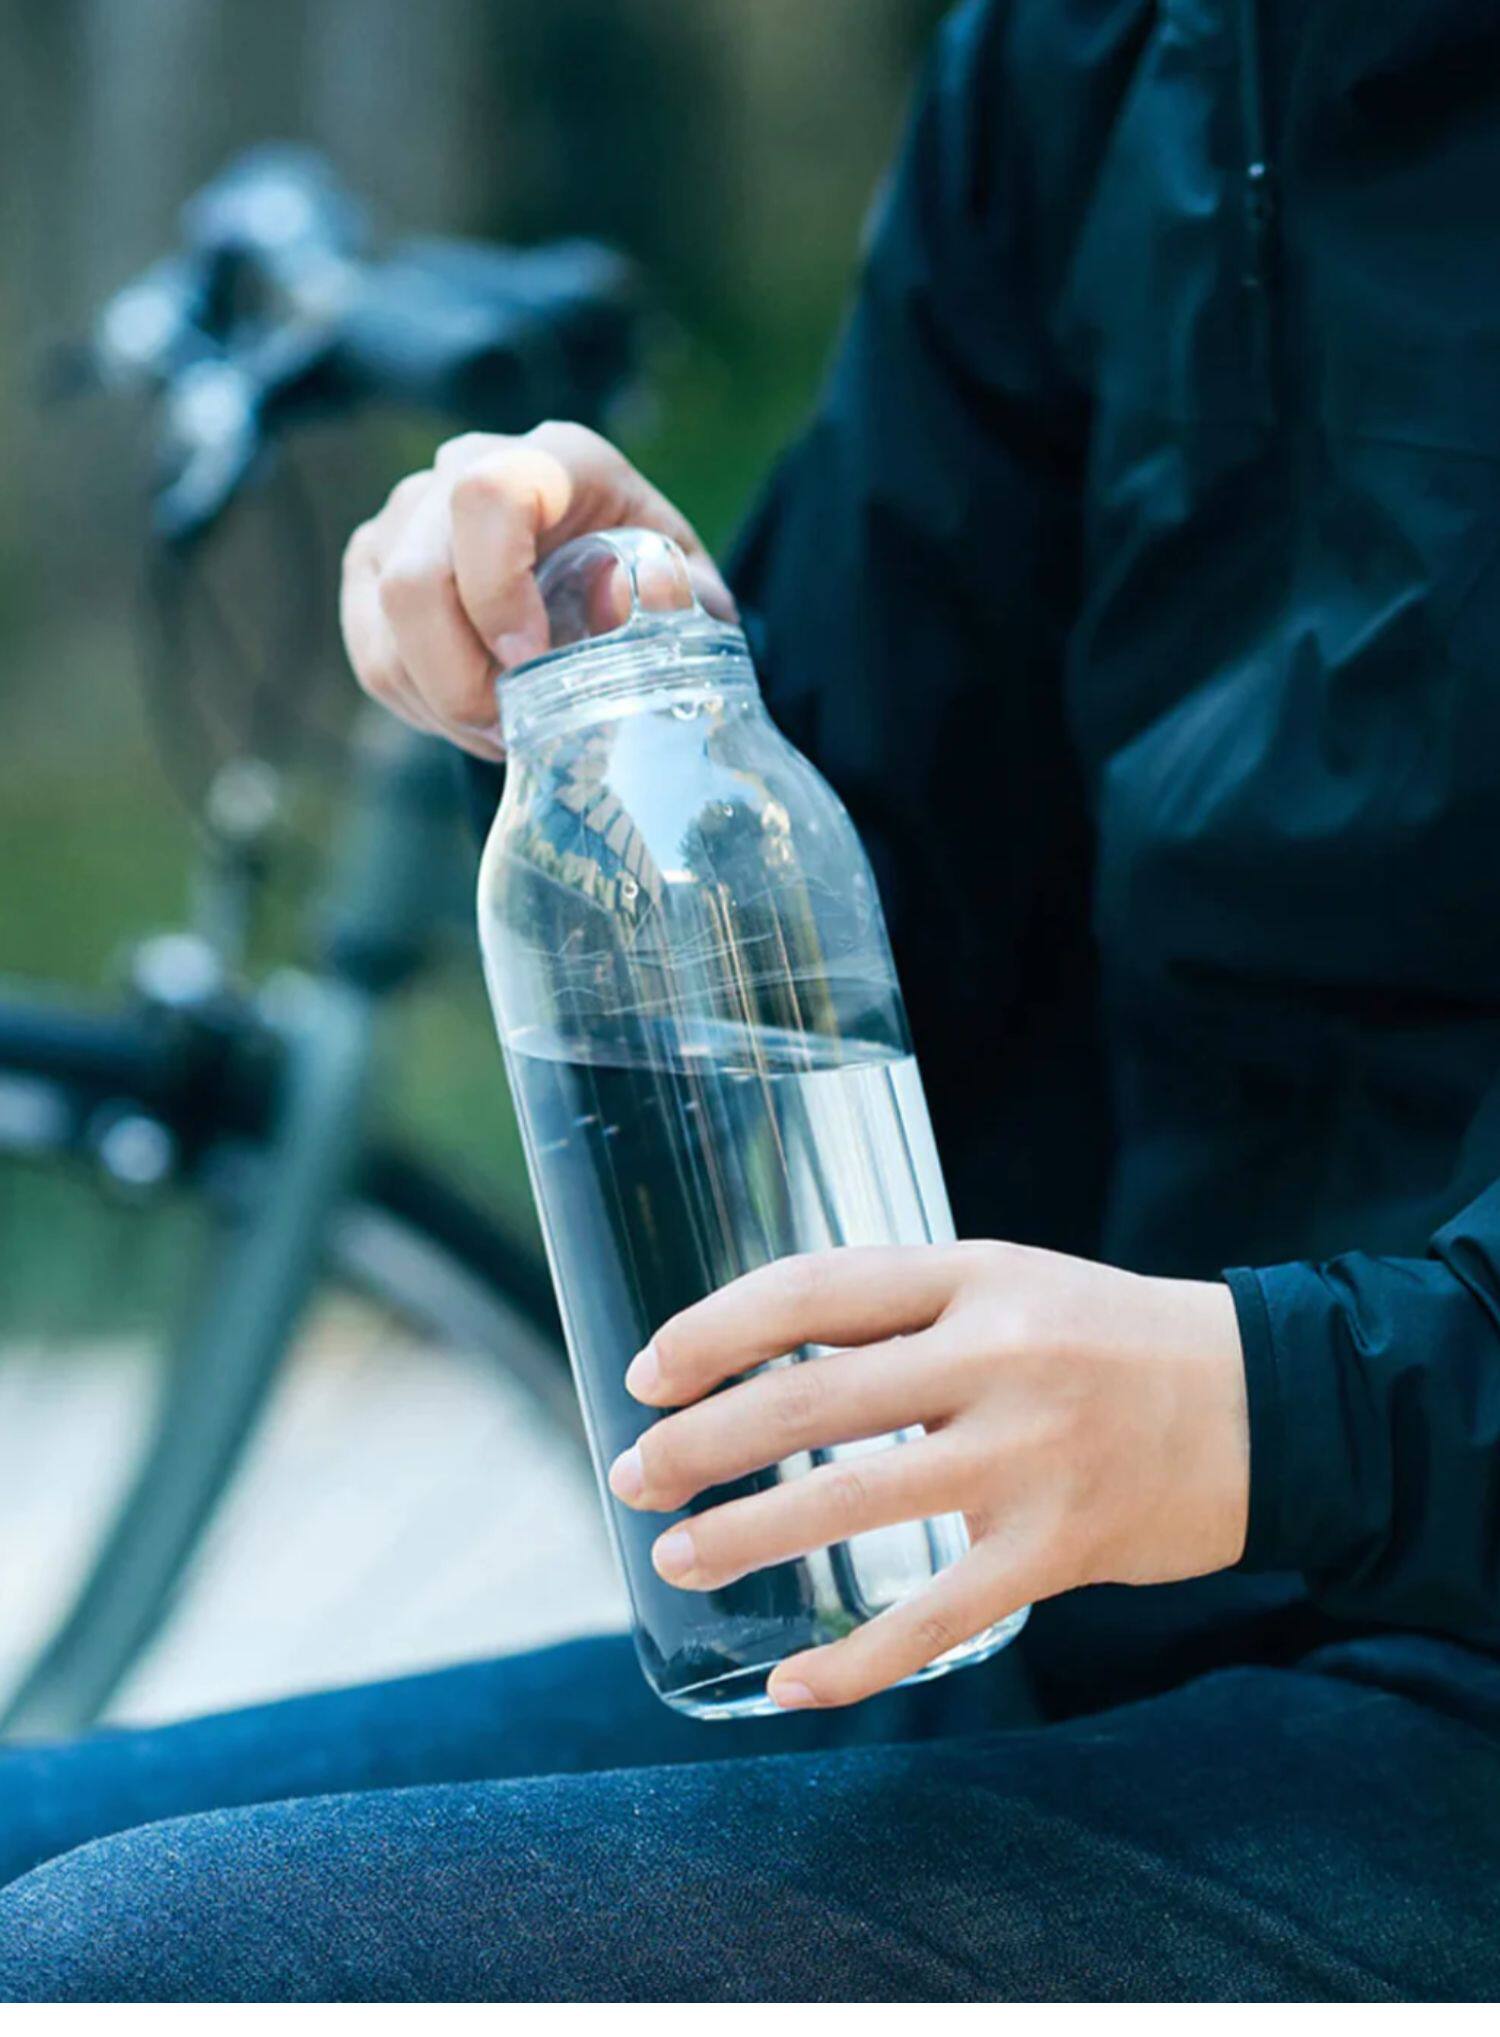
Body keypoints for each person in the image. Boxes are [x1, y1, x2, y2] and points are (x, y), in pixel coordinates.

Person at [4, 0, 1500, 2000]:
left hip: (1440, 1667)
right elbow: (908, 892)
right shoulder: (1105, 49)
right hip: (1072, 1605)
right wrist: (640, 688)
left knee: (128, 1968)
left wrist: (1262, 1406)